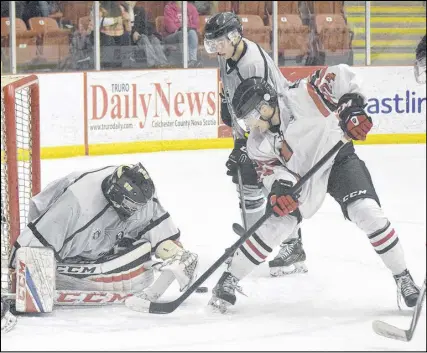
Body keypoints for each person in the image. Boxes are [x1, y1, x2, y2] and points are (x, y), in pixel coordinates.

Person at [208, 64, 421, 313]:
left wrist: (351, 108)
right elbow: (270, 171)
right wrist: (280, 188)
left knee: (367, 213)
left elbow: (340, 76)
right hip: (301, 178)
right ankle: (230, 279)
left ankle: (402, 276)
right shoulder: (257, 141)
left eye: (250, 116)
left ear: (265, 105)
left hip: (337, 159)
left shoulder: (301, 95)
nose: (249, 125)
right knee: (275, 225)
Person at [7, 163, 198, 309]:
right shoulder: (74, 206)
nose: (135, 212)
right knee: (38, 259)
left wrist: (177, 256)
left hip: (93, 238)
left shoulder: (140, 197)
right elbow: (27, 251)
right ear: (116, 195)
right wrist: (27, 280)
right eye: (131, 207)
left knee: (142, 246)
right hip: (60, 232)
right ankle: (67, 267)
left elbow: (166, 234)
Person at [204, 12, 307, 276]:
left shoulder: (252, 64)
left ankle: (284, 244)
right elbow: (233, 101)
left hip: (276, 126)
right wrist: (239, 144)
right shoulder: (227, 56)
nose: (215, 47)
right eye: (212, 43)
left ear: (234, 37)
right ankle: (259, 240)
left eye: (218, 42)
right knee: (248, 177)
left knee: (267, 181)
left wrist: (246, 146)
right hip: (256, 127)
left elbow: (262, 107)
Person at [163, 1, 201, 67]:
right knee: (182, 33)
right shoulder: (168, 7)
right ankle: (186, 61)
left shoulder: (191, 7)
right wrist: (180, 29)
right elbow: (169, 26)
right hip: (172, 35)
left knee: (192, 33)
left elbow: (196, 24)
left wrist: (189, 29)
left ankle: (193, 60)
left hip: (188, 32)